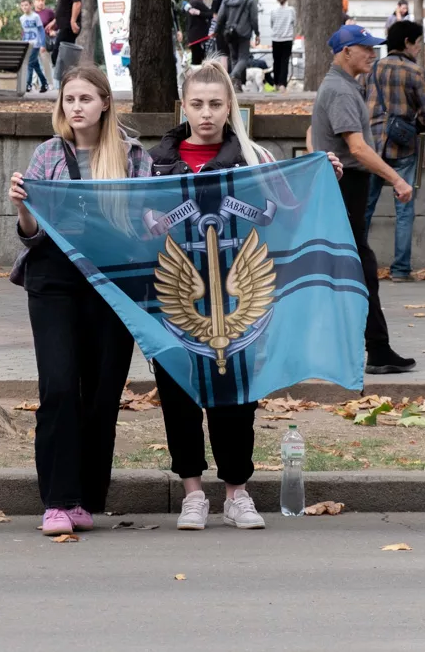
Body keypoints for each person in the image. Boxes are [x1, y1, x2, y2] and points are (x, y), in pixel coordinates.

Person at [148, 59, 343, 531]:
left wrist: (323, 179)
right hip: (172, 300)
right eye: (197, 104)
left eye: (216, 104)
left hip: (244, 302)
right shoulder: (153, 164)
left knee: (237, 397)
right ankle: (192, 494)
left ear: (230, 105)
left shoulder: (256, 158)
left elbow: (290, 214)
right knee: (178, 395)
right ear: (183, 106)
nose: (207, 113)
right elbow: (134, 224)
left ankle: (237, 491)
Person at [7, 65, 151, 536]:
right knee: (60, 386)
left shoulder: (133, 156)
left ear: (105, 102)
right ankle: (57, 500)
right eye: (69, 99)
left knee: (103, 392)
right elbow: (31, 236)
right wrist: (23, 211)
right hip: (54, 280)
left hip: (112, 282)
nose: (76, 107)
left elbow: (145, 226)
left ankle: (88, 497)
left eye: (85, 99)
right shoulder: (47, 155)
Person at [307, 25, 417, 374]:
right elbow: (357, 147)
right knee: (359, 270)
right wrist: (397, 178)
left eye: (373, 47)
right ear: (345, 52)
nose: (372, 53)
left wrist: (319, 159)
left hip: (341, 184)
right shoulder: (340, 89)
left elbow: (311, 131)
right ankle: (377, 350)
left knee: (345, 269)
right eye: (365, 48)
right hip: (346, 186)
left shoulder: (342, 86)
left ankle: (371, 349)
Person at [365, 21, 425, 282]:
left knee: (365, 208)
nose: (419, 48)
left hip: (370, 146)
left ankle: (358, 267)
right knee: (404, 209)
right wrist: (412, 127)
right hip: (402, 146)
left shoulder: (373, 68)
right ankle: (400, 269)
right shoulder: (416, 72)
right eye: (418, 43)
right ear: (407, 42)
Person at [214, 0, 261, 90]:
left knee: (234, 58)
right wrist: (257, 33)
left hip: (229, 33)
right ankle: (233, 76)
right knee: (243, 58)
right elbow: (254, 18)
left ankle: (237, 86)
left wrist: (216, 30)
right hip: (244, 33)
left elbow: (220, 17)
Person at [18, 0, 51, 93]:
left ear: (31, 5)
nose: (24, 7)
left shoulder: (35, 17)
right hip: (27, 44)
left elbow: (41, 30)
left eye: (26, 5)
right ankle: (44, 84)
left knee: (29, 64)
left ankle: (28, 85)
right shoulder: (22, 18)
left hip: (35, 43)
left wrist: (42, 44)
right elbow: (24, 32)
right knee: (35, 65)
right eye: (22, 5)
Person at [267, 0, 296, 86]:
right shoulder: (291, 10)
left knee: (276, 61)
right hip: (287, 39)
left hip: (276, 39)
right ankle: (282, 83)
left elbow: (271, 24)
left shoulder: (273, 11)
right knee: (285, 61)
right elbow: (294, 23)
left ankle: (276, 82)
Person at [183, 0, 213, 65]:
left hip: (193, 35)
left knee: (197, 58)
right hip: (198, 36)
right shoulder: (196, 2)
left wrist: (199, 13)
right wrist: (200, 13)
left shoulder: (192, 1)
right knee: (198, 60)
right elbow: (210, 14)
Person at [33, 0, 57, 82]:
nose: (40, 3)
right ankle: (32, 84)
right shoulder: (31, 14)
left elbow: (56, 25)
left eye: (42, 0)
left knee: (46, 64)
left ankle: (49, 84)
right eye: (38, 1)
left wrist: (52, 30)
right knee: (33, 65)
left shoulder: (49, 12)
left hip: (44, 43)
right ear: (34, 2)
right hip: (33, 42)